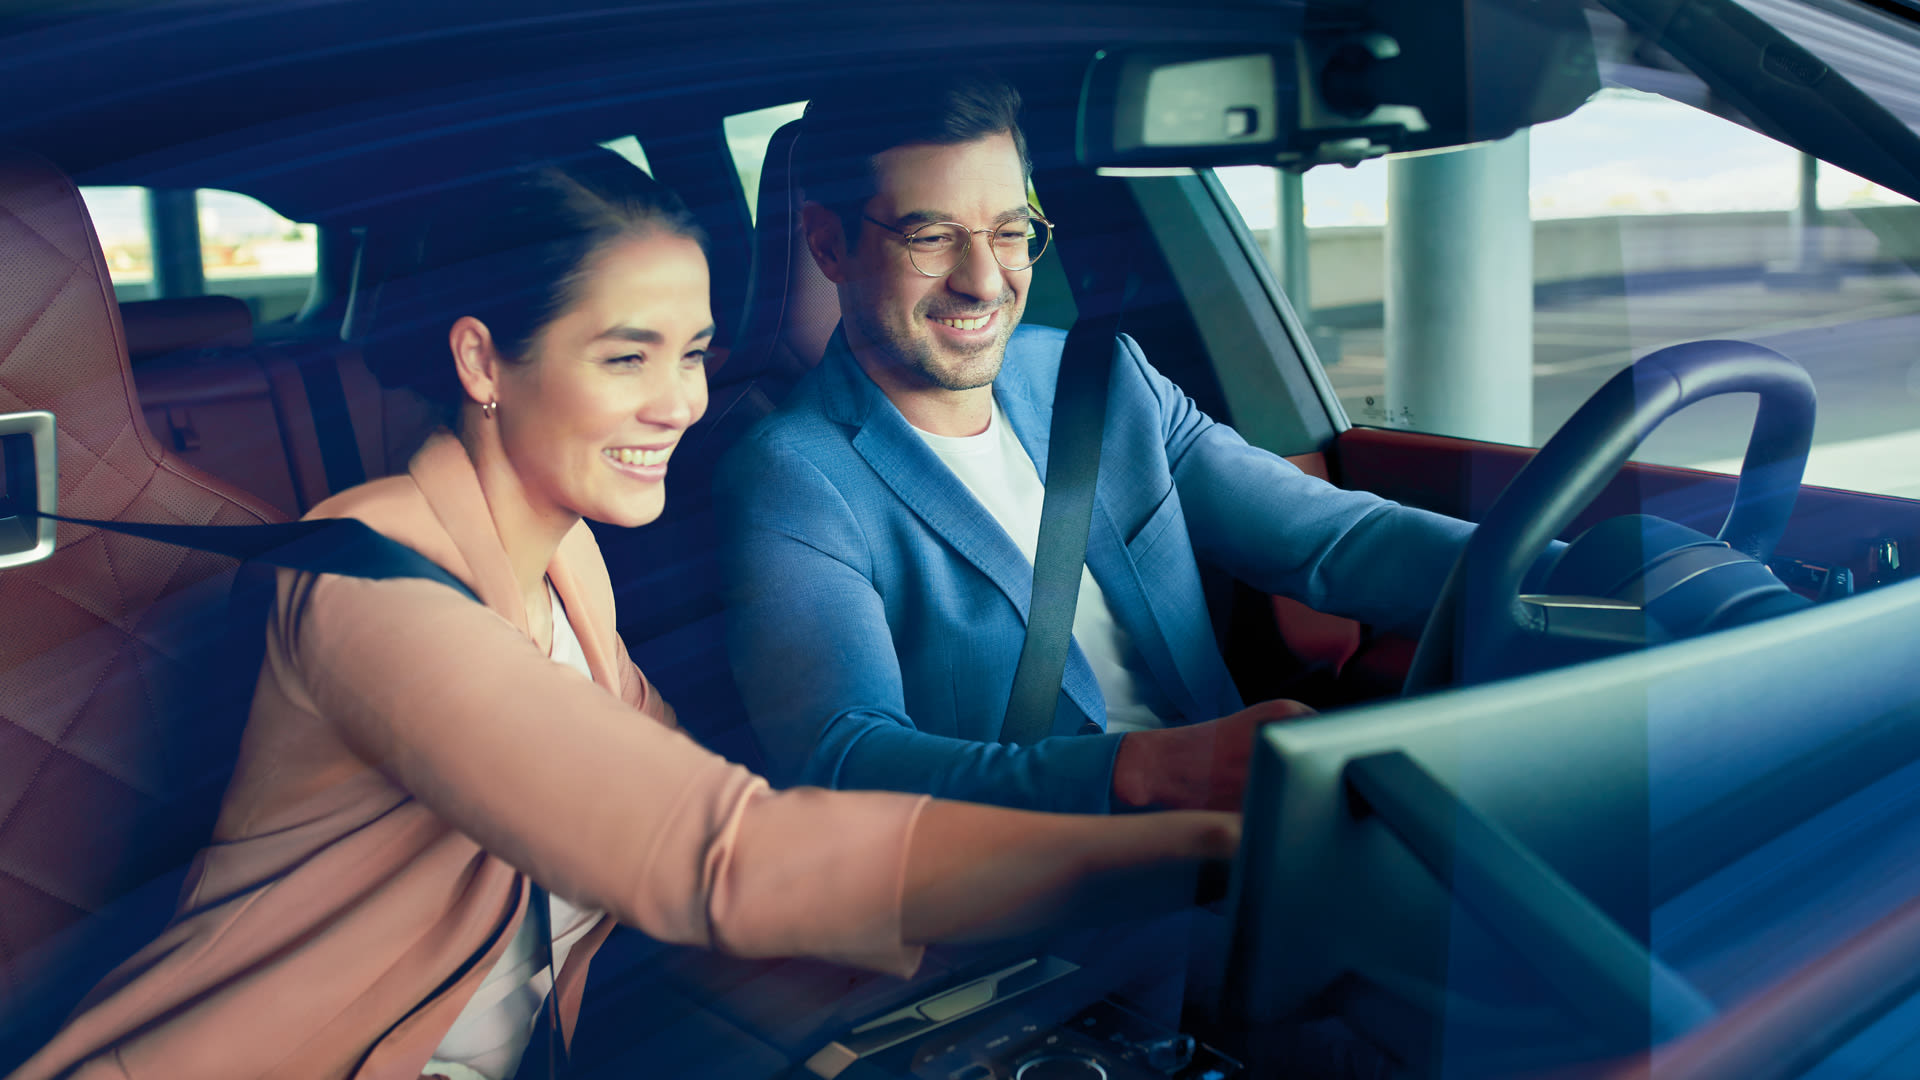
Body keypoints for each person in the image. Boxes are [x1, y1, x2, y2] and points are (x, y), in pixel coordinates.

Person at [7, 151, 1240, 1080]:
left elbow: (687, 815)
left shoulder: (569, 571)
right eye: (626, 357)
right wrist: (1182, 834)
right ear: (486, 365)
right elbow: (720, 858)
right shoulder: (361, 587)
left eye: (694, 352)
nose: (682, 404)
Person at [716, 72, 1533, 815]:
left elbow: (1338, 538)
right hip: (1046, 917)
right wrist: (1145, 771)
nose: (984, 279)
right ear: (828, 246)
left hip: (1246, 848)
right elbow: (844, 760)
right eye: (931, 238)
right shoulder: (791, 476)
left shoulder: (1099, 379)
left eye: (1009, 231)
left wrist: (1582, 578)